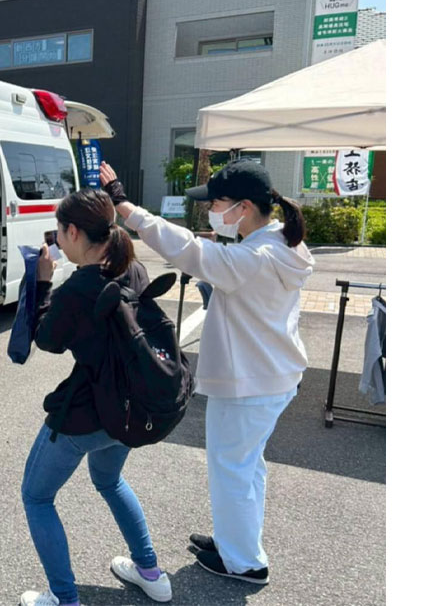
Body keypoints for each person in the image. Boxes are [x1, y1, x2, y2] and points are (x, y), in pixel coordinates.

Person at [99, 159, 312, 585]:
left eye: (217, 202)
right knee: (247, 468)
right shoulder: (279, 246)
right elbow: (213, 254)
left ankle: (245, 563)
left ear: (244, 207)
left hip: (249, 384)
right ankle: (238, 543)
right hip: (272, 377)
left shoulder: (254, 257)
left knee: (233, 469)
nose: (211, 210)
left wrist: (125, 206)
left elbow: (189, 251)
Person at [18, 189, 172, 606]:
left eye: (59, 231)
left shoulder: (78, 287)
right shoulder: (133, 268)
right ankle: (151, 572)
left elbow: (47, 340)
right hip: (131, 408)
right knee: (108, 479)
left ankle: (65, 598)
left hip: (87, 414)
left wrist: (44, 283)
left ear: (71, 232)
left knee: (36, 496)